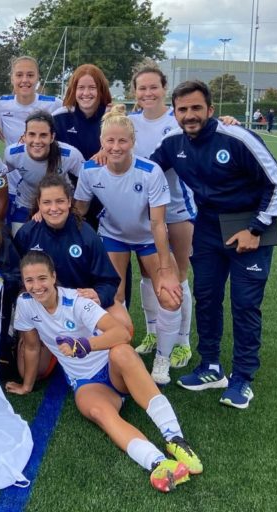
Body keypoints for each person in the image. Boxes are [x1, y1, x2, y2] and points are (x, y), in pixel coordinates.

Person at [5, 251, 202, 493]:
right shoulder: (25, 304)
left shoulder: (77, 302)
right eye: (30, 280)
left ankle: (175, 438)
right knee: (99, 412)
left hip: (113, 369)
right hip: (87, 383)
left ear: (54, 277)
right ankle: (158, 463)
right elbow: (33, 346)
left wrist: (84, 345)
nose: (37, 286)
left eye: (42, 278)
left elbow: (120, 333)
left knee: (122, 352)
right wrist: (27, 385)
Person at [150, 80, 277, 409]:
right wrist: (109, 157)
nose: (190, 115)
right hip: (208, 227)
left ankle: (242, 378)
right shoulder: (173, 143)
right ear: (175, 113)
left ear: (211, 110)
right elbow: (147, 171)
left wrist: (256, 228)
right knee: (207, 297)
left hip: (250, 225)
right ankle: (211, 366)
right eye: (183, 109)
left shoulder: (235, 138)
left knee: (244, 303)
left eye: (197, 108)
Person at [74, 105, 183, 386]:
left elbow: (159, 224)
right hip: (113, 236)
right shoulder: (90, 170)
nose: (116, 146)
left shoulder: (150, 171)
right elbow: (79, 211)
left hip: (148, 236)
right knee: (112, 298)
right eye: (110, 140)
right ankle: (114, 351)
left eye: (122, 140)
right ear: (101, 142)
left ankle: (162, 358)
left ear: (132, 142)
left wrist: (166, 267)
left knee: (169, 295)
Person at [128, 64, 196, 369]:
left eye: (153, 87)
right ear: (134, 92)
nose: (148, 93)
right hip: (142, 211)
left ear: (164, 88)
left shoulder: (178, 119)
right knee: (148, 275)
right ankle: (154, 332)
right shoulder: (129, 122)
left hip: (176, 209)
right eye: (142, 88)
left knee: (177, 276)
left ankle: (182, 341)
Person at [13, 174, 131, 332]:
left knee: (124, 325)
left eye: (60, 201)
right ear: (38, 205)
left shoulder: (87, 235)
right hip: (43, 300)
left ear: (69, 202)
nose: (54, 208)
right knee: (29, 340)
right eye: (47, 202)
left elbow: (109, 281)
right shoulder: (28, 233)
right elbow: (15, 273)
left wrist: (99, 295)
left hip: (79, 302)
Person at [5, 111, 84, 234]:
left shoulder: (70, 155)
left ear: (52, 137)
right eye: (32, 134)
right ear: (24, 136)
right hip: (26, 203)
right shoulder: (12, 154)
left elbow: (87, 180)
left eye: (43, 135)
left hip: (56, 206)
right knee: (19, 241)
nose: (37, 141)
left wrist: (73, 206)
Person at [0, 56, 62, 147]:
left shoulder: (55, 104)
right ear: (12, 78)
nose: (25, 80)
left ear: (38, 77)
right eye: (19, 75)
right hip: (12, 161)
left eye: (30, 75)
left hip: (46, 161)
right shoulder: (0, 105)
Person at [53, 64, 112, 161]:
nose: (86, 93)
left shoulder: (112, 117)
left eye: (92, 87)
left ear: (101, 90)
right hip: (65, 176)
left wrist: (107, 151)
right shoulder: (59, 117)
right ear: (73, 90)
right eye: (81, 87)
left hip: (101, 174)